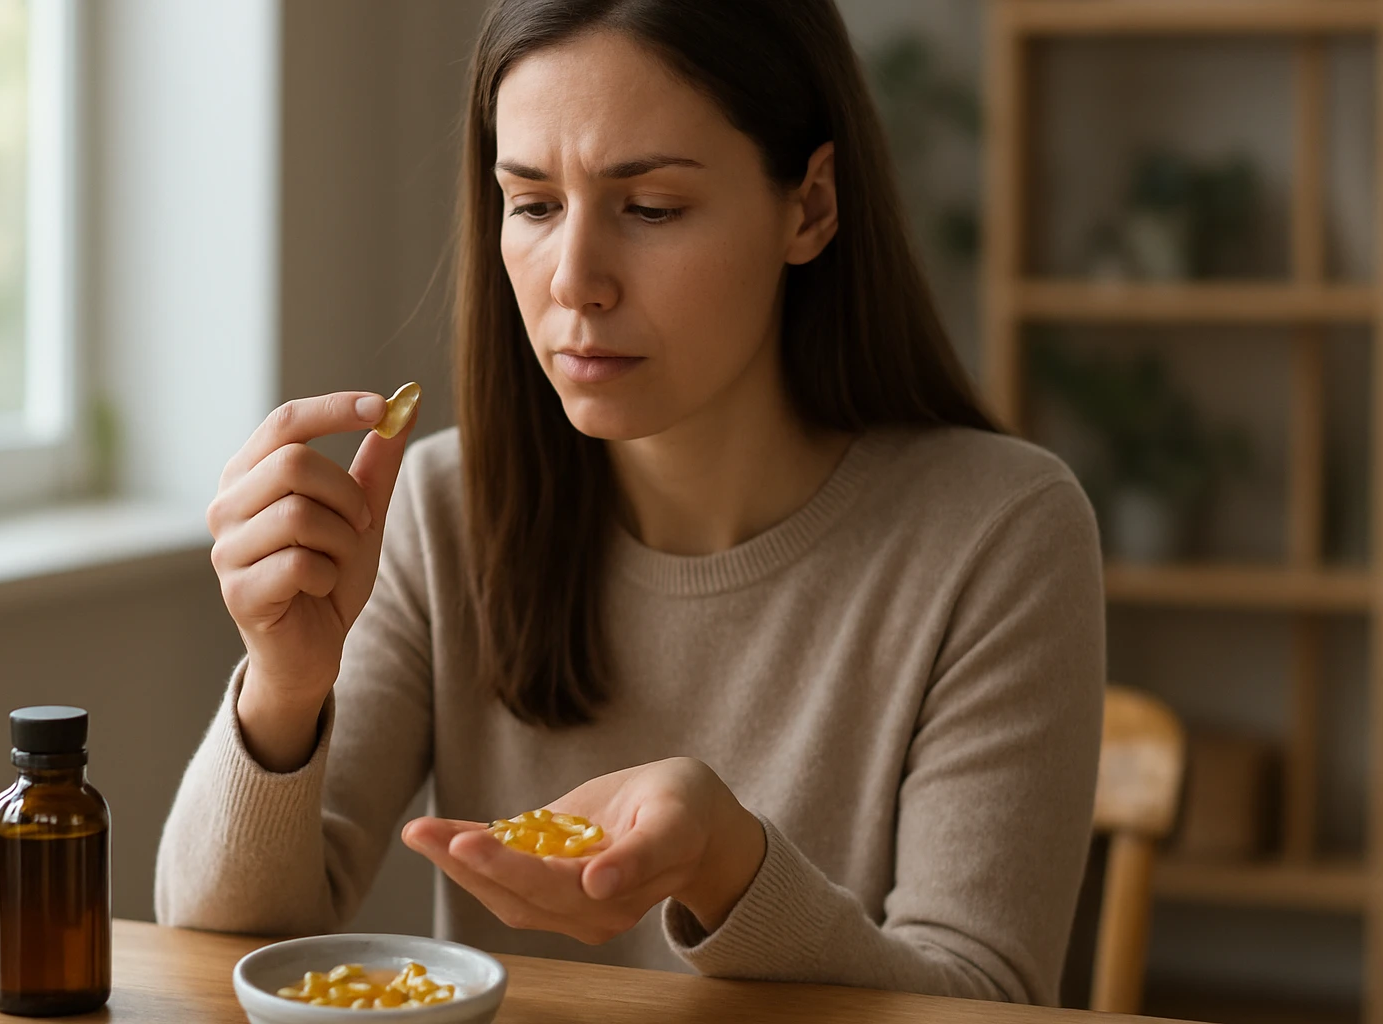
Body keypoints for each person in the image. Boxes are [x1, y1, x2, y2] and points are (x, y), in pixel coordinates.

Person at [156, 0, 1104, 1005]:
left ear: (811, 206)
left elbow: (984, 999)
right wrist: (284, 687)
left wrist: (729, 866)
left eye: (649, 208)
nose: (575, 281)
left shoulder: (1001, 532)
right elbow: (210, 948)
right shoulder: (440, 510)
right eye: (532, 205)